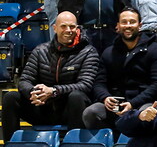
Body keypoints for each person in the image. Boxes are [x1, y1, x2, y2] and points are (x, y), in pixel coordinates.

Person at [1, 11, 99, 140]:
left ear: (77, 28)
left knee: (77, 96)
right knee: (10, 97)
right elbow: (24, 80)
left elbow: (85, 85)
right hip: (42, 108)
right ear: (55, 28)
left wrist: (53, 91)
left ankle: (74, 146)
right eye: (63, 26)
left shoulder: (88, 52)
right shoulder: (40, 50)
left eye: (72, 26)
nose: (68, 30)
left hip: (70, 111)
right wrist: (34, 92)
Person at [82, 7, 157, 130]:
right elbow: (99, 83)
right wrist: (105, 97)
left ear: (140, 25)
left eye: (132, 22)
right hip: (115, 107)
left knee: (149, 115)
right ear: (118, 26)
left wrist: (133, 104)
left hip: (142, 104)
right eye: (124, 22)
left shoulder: (155, 50)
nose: (128, 26)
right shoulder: (108, 52)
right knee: (90, 113)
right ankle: (109, 140)